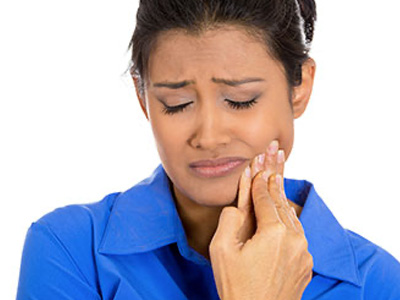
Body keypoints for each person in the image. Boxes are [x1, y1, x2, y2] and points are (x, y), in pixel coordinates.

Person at [16, 0, 400, 299]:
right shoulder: (70, 251)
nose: (209, 136)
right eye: (177, 104)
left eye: (240, 100)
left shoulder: (379, 283)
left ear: (299, 87)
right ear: (143, 97)